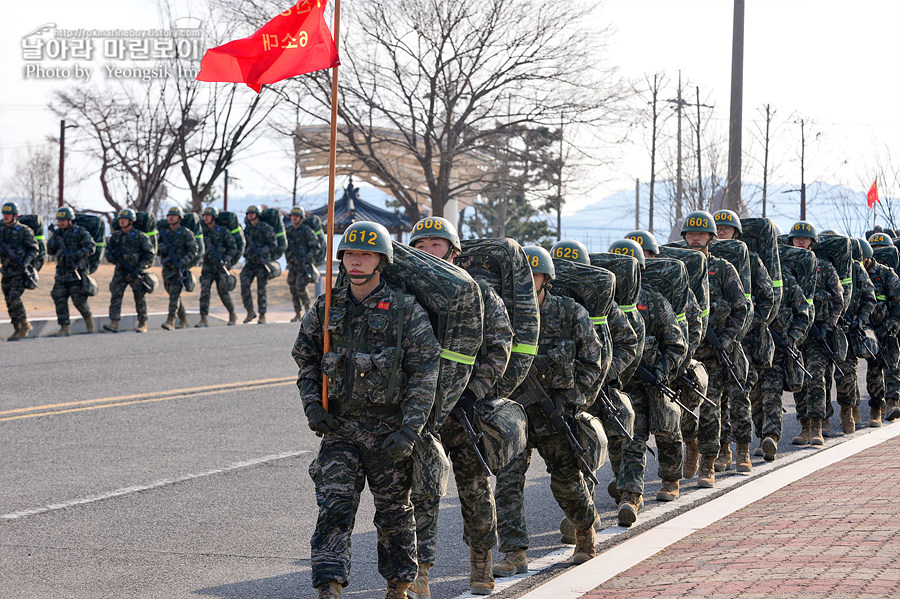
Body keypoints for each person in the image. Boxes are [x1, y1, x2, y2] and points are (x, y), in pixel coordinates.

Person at [292, 221, 441, 599]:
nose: (355, 262)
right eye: (350, 254)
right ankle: (330, 584)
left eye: (365, 254)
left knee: (393, 513)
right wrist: (313, 405)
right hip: (340, 426)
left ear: (382, 260)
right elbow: (306, 358)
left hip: (388, 430)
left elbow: (425, 372)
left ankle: (399, 584)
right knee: (335, 507)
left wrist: (410, 430)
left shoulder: (406, 311)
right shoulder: (328, 305)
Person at [408, 216, 513, 596]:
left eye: (435, 245)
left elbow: (501, 346)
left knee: (475, 489)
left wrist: (473, 393)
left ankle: (481, 564)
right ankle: (420, 573)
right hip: (421, 412)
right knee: (422, 491)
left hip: (466, 410)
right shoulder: (408, 293)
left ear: (453, 253)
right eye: (419, 246)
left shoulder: (481, 294)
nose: (427, 252)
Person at [493, 245, 604, 576]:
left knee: (567, 479)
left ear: (546, 279)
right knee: (507, 480)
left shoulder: (570, 313)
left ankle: (585, 534)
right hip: (514, 412)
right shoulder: (502, 312)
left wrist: (572, 398)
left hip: (555, 412)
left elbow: (592, 360)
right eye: (520, 277)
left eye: (534, 276)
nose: (527, 282)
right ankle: (514, 552)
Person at [608, 238, 687, 525]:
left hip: (654, 379)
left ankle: (670, 478)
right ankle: (630, 493)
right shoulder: (605, 301)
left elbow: (676, 343)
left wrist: (663, 370)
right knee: (630, 436)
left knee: (667, 430)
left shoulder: (653, 300)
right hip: (624, 383)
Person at [680, 211, 748, 488]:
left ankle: (708, 464)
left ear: (710, 237)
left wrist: (727, 340)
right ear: (685, 237)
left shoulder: (723, 269)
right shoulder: (677, 268)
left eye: (701, 234)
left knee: (710, 410)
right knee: (685, 412)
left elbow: (741, 308)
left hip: (715, 354)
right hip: (686, 355)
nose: (696, 238)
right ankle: (692, 444)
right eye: (691, 234)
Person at [713, 210, 774, 473]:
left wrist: (749, 325)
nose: (722, 232)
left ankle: (743, 451)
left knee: (740, 395)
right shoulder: (707, 262)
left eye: (727, 228)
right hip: (714, 341)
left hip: (743, 341)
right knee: (716, 399)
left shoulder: (751, 259)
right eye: (718, 228)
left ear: (737, 233)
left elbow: (767, 296)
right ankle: (722, 450)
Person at [789, 222, 843, 445]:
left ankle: (818, 426)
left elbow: (838, 299)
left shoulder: (824, 266)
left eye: (805, 238)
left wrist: (828, 324)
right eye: (797, 238)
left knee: (816, 377)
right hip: (794, 333)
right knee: (798, 379)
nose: (800, 241)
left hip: (818, 333)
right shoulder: (786, 265)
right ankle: (804, 427)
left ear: (812, 242)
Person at [825, 237, 875, 433]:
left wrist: (860, 320)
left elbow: (869, 297)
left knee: (846, 375)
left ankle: (848, 410)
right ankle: (822, 419)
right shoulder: (821, 266)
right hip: (823, 328)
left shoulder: (855, 269)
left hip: (845, 330)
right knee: (820, 378)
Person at [864, 232, 900, 426]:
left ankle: (893, 402)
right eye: (875, 250)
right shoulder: (862, 273)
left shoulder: (887, 273)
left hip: (889, 328)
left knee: (893, 365)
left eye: (883, 249)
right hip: (870, 329)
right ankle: (876, 406)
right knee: (874, 370)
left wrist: (892, 323)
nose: (880, 253)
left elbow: (897, 300)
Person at [103, 209, 155, 333]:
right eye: (120, 219)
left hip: (135, 271)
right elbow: (108, 252)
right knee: (115, 294)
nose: (121, 221)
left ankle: (142, 323)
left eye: (124, 219)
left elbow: (150, 254)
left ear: (131, 221)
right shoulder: (116, 236)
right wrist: (116, 260)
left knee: (139, 296)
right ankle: (114, 322)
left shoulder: (140, 236)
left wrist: (139, 267)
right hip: (120, 271)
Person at [47, 206, 96, 337]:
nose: (61, 222)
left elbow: (91, 247)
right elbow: (50, 250)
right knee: (59, 297)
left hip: (77, 272)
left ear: (70, 220)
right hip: (62, 273)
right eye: (60, 220)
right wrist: (54, 239)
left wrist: (76, 254)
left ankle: (88, 319)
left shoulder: (80, 231)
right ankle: (64, 327)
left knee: (78, 300)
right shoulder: (57, 234)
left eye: (64, 220)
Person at [0, 201, 39, 340]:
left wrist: (25, 262)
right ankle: (16, 328)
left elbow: (34, 248)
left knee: (14, 297)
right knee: (8, 300)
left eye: (8, 214)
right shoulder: (2, 230)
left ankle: (25, 324)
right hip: (6, 271)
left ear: (15, 215)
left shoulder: (24, 230)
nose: (5, 217)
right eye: (4, 214)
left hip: (20, 271)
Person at [196, 206, 239, 327]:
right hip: (208, 267)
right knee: (204, 291)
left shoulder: (223, 231)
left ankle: (232, 314)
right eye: (204, 216)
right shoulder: (203, 231)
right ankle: (203, 318)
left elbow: (233, 247)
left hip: (221, 267)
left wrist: (225, 260)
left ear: (214, 217)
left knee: (223, 292)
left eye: (208, 216)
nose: (205, 218)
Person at [158, 206, 198, 331]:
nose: (171, 217)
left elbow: (194, 250)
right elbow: (157, 249)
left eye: (174, 216)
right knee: (171, 293)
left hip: (180, 269)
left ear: (179, 218)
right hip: (167, 269)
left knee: (174, 295)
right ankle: (184, 318)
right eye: (169, 215)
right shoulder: (165, 233)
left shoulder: (186, 233)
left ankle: (171, 320)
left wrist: (183, 262)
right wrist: (163, 249)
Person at [241, 205, 276, 324]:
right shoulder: (247, 229)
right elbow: (242, 244)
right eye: (248, 213)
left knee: (261, 290)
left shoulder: (265, 228)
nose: (250, 215)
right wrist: (246, 252)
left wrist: (262, 251)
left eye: (253, 213)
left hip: (262, 263)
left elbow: (273, 244)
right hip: (250, 263)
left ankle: (262, 315)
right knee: (244, 284)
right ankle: (250, 311)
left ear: (257, 215)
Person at [286, 206, 320, 322]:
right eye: (293, 216)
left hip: (303, 265)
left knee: (300, 287)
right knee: (292, 288)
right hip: (292, 265)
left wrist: (306, 258)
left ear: (301, 218)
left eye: (297, 216)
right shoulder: (289, 231)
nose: (294, 218)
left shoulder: (306, 231)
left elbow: (316, 246)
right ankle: (297, 313)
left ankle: (307, 310)